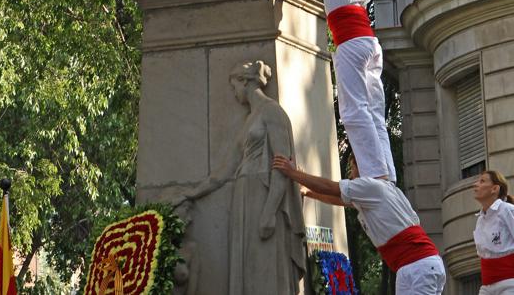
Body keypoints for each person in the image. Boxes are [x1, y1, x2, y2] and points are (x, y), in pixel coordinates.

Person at [241, 0, 396, 181]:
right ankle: (387, 172)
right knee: (374, 112)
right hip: (369, 42)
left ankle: (375, 173)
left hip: (350, 42)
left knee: (354, 110)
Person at [178, 60, 306, 295]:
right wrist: (192, 192)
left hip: (262, 194)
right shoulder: (250, 119)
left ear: (245, 82)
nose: (234, 93)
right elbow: (224, 171)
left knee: (265, 264)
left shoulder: (272, 112)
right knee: (247, 265)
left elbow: (282, 166)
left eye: (234, 86)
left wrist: (269, 211)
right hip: (243, 195)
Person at [273, 153, 446, 295]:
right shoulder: (384, 189)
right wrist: (309, 192)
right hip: (420, 265)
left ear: (364, 167)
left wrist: (292, 173)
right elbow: (340, 199)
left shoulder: (370, 186)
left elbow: (330, 187)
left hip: (416, 267)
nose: (351, 175)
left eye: (353, 169)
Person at [473, 169, 514, 293]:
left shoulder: (507, 210)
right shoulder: (480, 219)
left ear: (495, 189)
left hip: (509, 283)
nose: (475, 185)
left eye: (482, 181)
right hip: (487, 285)